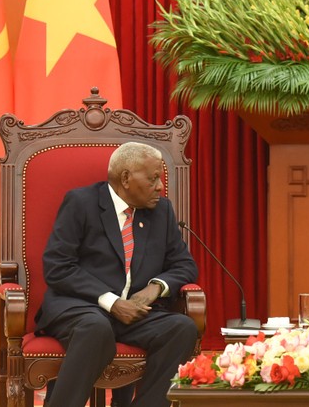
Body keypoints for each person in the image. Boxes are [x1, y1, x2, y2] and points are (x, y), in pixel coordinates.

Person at [37, 141, 198, 407]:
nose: (160, 186)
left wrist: (155, 287)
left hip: (135, 312)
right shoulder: (81, 202)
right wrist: (112, 302)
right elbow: (58, 266)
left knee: (181, 328)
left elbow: (184, 264)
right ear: (126, 178)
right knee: (95, 328)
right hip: (83, 307)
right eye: (153, 178)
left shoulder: (161, 210)